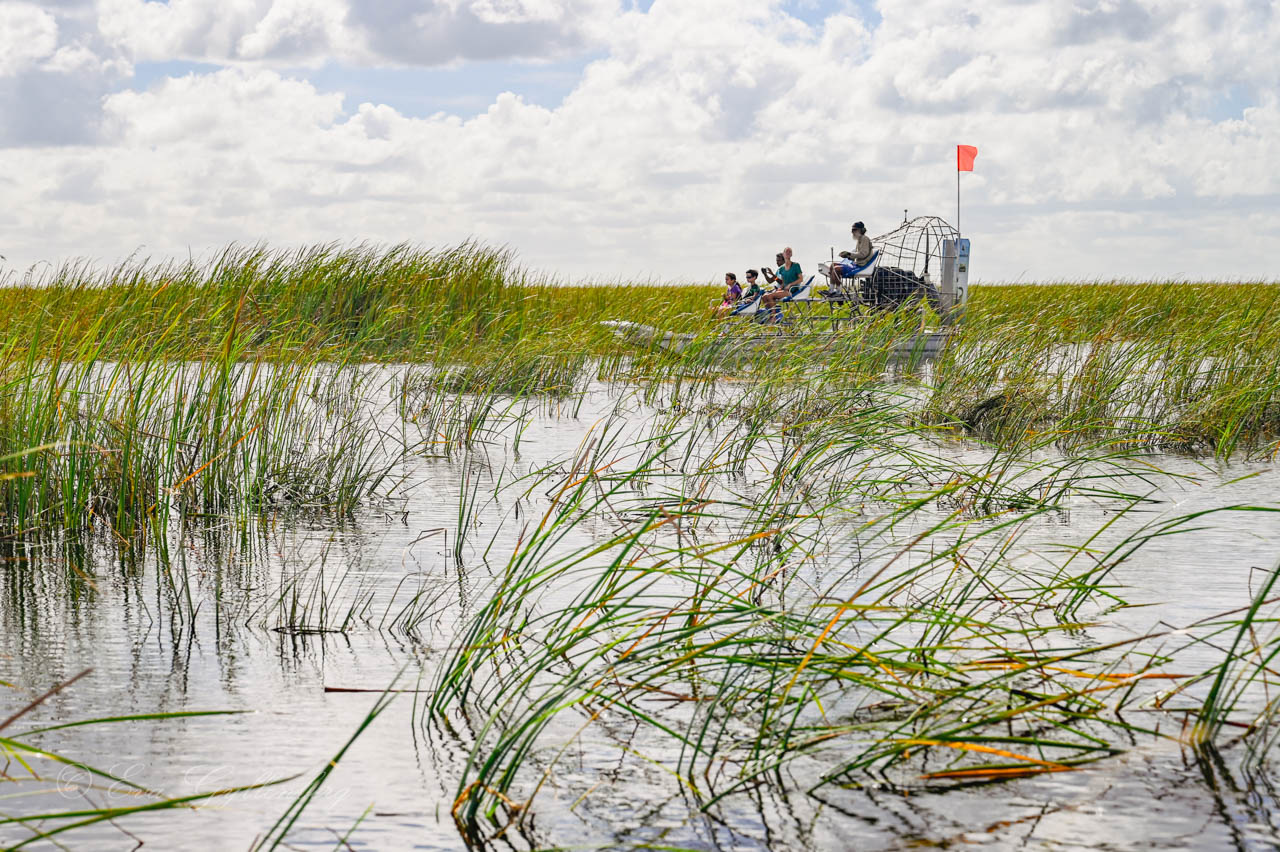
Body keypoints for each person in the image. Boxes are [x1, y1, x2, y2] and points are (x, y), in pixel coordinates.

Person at [827, 222, 874, 289]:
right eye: (852, 230)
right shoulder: (859, 240)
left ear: (861, 230)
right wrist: (847, 256)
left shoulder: (865, 239)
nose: (852, 232)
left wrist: (849, 254)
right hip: (855, 264)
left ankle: (838, 292)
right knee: (832, 265)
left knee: (836, 269)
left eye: (854, 230)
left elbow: (863, 254)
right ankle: (831, 290)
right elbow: (856, 255)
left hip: (861, 266)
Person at [761, 246, 803, 311]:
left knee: (769, 296)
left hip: (791, 290)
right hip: (782, 289)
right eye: (776, 261)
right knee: (764, 296)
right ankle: (769, 313)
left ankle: (774, 316)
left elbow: (800, 279)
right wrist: (765, 274)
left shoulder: (795, 265)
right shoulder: (780, 269)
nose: (777, 262)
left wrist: (790, 284)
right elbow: (773, 281)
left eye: (779, 261)